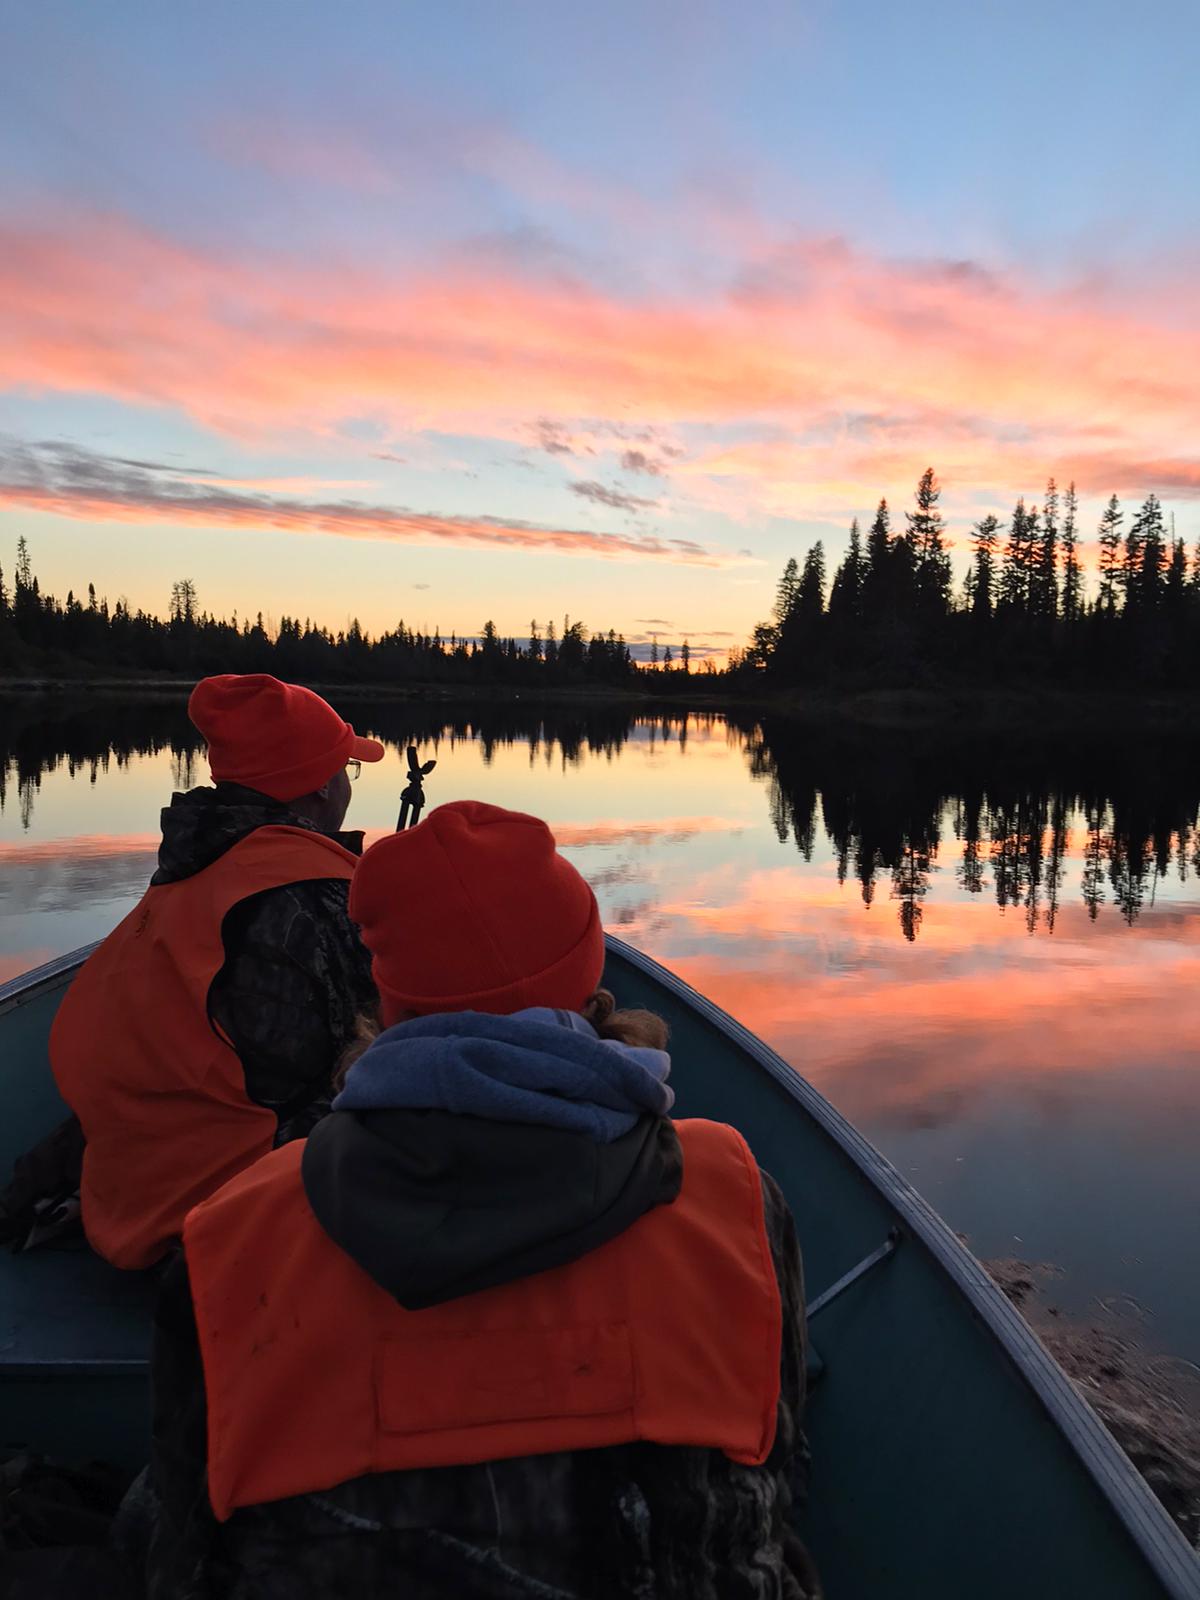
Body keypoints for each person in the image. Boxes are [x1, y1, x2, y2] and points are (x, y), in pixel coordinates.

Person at [146, 801, 818, 1599]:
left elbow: (183, 1556)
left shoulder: (235, 1233)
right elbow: (781, 1464)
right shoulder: (735, 1196)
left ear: (390, 1005)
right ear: (588, 980)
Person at [49, 673, 384, 1271]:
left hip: (132, 1194)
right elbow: (368, 1056)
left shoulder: (191, 866)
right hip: (226, 1211)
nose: (346, 785)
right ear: (319, 785)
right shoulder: (313, 895)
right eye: (346, 769)